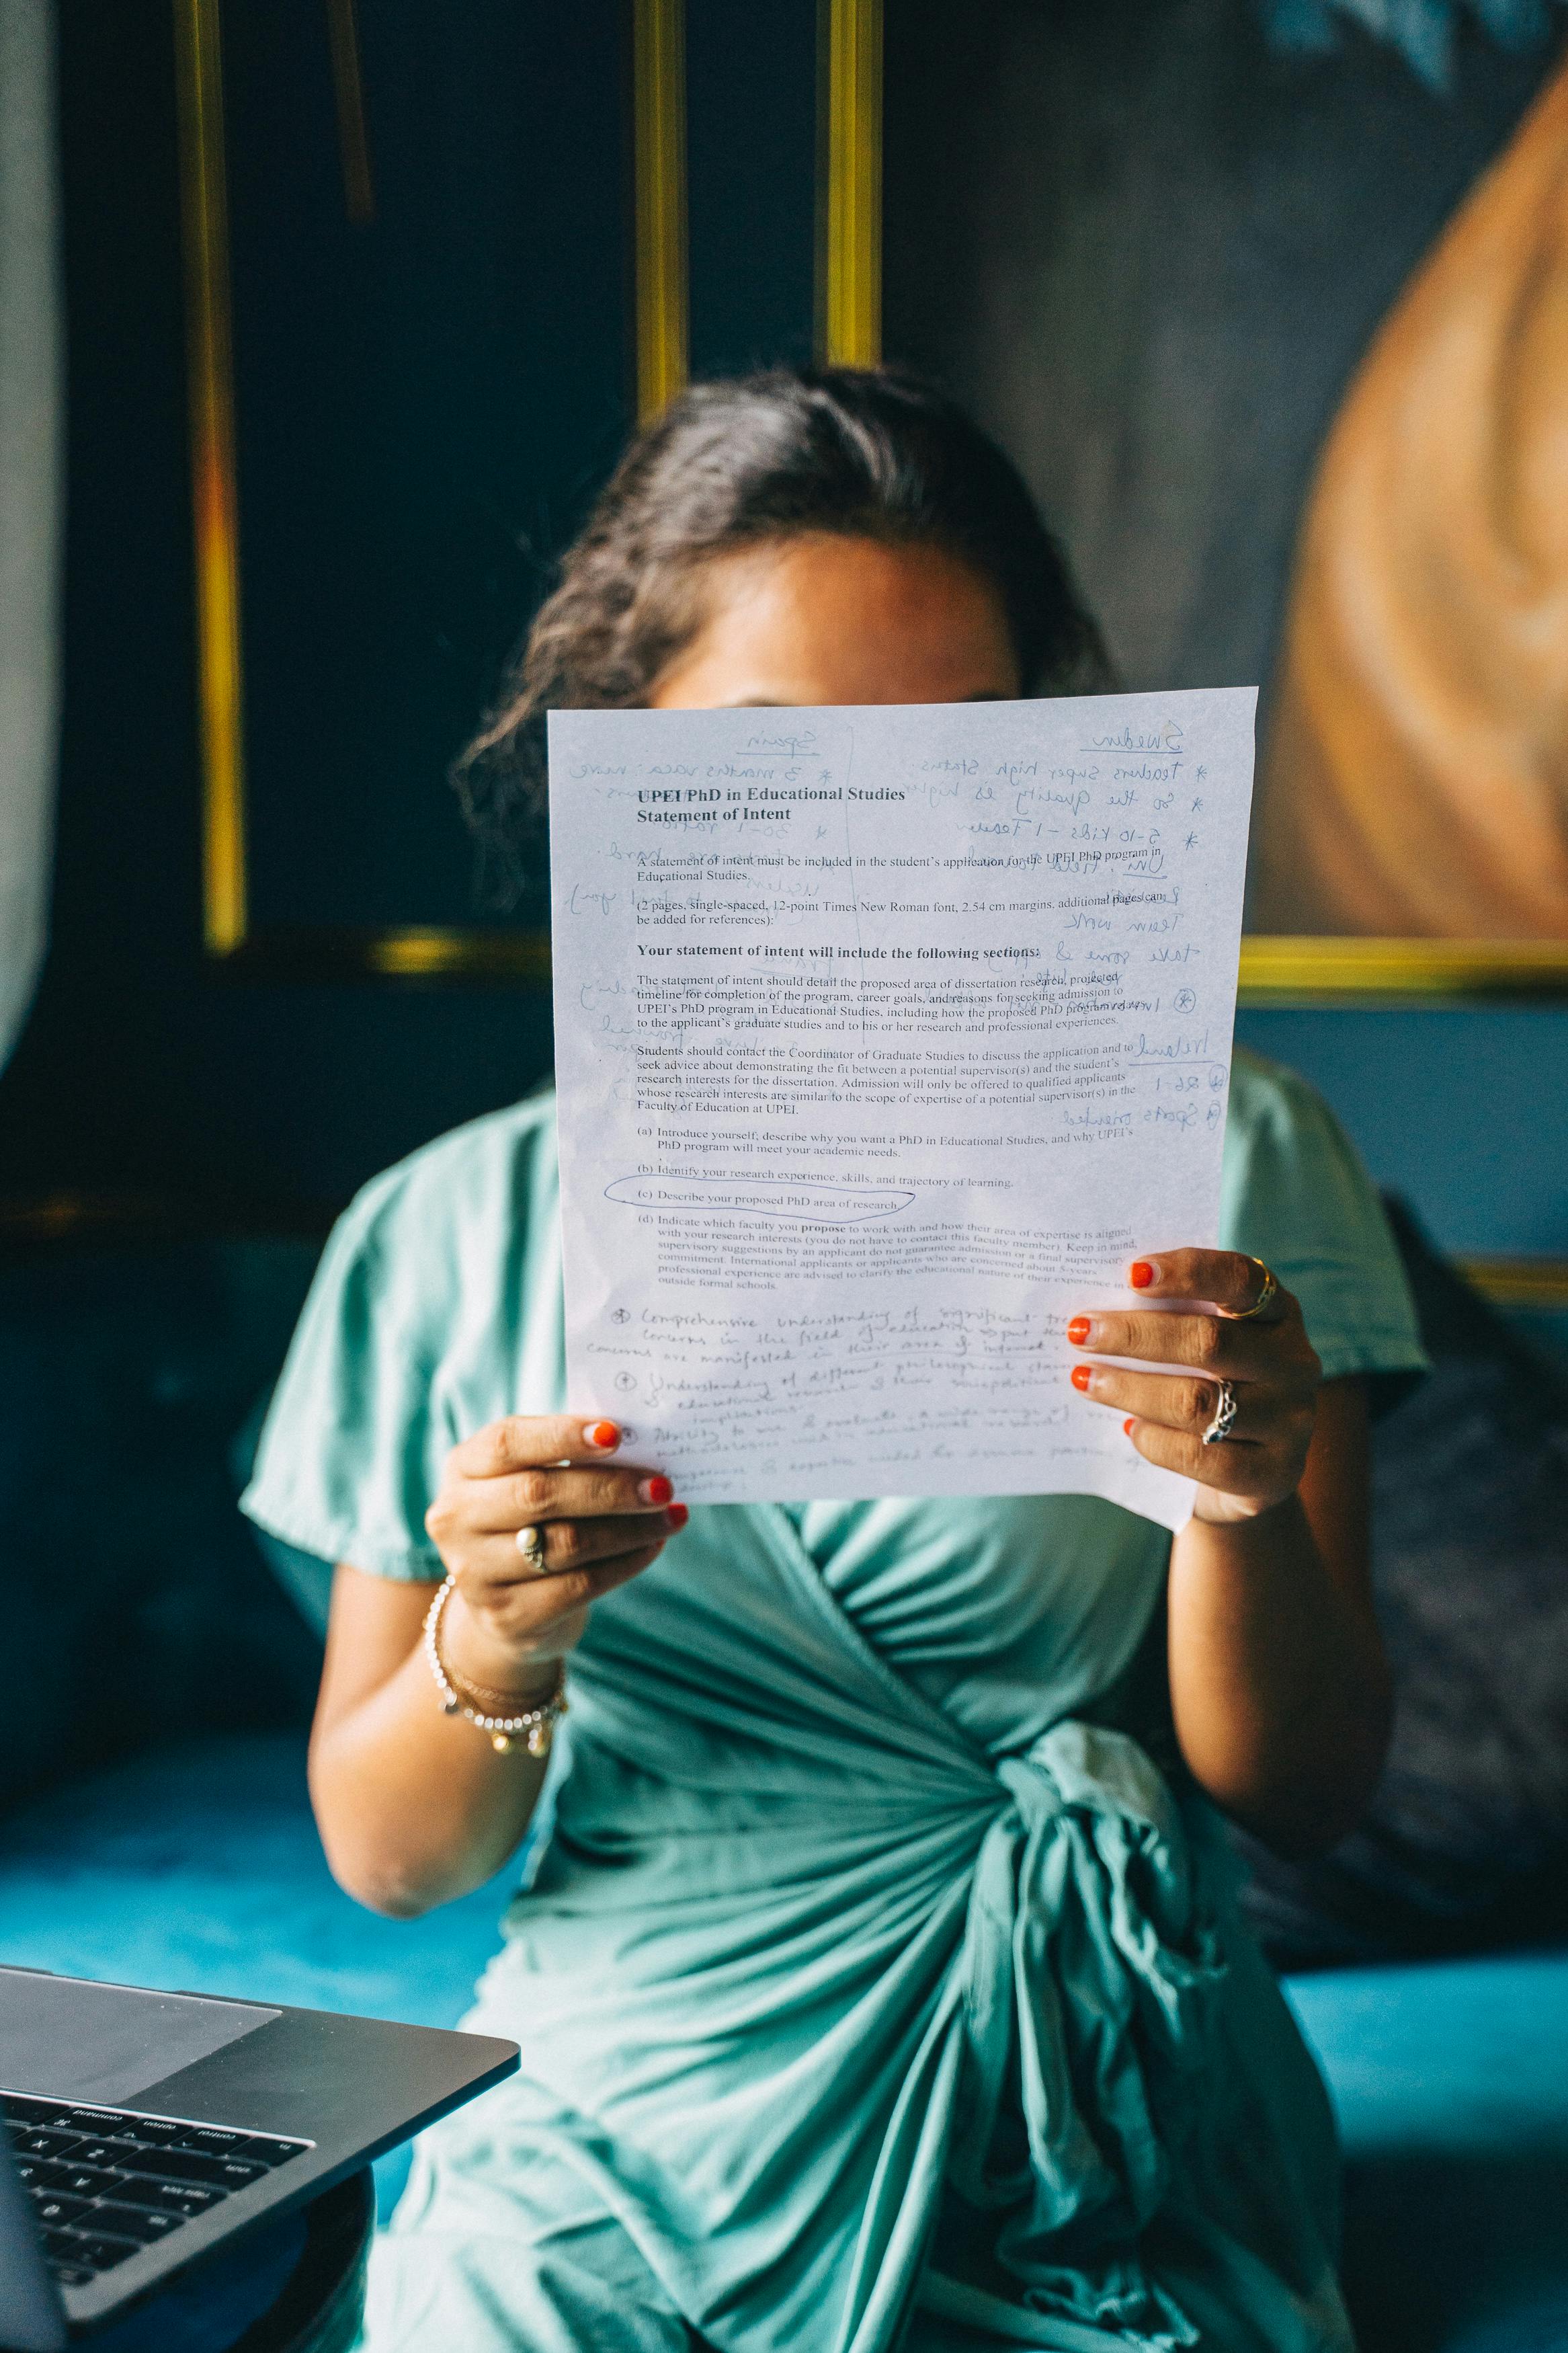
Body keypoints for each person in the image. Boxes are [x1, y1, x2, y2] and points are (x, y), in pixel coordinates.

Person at [243, 368, 1428, 2353]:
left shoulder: (1233, 1155)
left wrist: (1235, 1501)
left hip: (1071, 2096)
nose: (886, 844)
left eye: (958, 763)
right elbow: (386, 1856)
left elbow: (1307, 1787)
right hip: (618, 2105)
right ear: (626, 775)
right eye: (787, 768)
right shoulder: (442, 1228)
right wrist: (498, 1639)